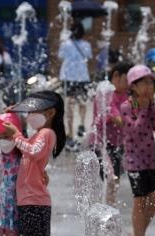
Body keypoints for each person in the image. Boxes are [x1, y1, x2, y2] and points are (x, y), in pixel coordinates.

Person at [0, 91, 66, 236]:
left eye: (34, 111)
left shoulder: (47, 132)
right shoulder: (39, 133)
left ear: (50, 113)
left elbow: (34, 152)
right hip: (32, 200)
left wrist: (16, 134)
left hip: (33, 201)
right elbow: (29, 148)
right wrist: (12, 118)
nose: (30, 115)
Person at [120, 65, 155, 236]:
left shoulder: (149, 104)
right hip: (135, 162)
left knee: (154, 199)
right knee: (139, 200)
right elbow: (135, 130)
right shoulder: (127, 106)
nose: (149, 86)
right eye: (145, 83)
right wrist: (144, 108)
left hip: (150, 160)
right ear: (133, 86)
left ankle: (140, 235)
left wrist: (150, 108)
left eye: (151, 83)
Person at [89, 61, 133, 205]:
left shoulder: (127, 94)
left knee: (116, 177)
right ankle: (104, 208)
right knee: (109, 176)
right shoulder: (106, 92)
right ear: (116, 76)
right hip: (101, 141)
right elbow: (115, 117)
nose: (129, 84)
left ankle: (110, 206)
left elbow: (136, 109)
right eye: (127, 80)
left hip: (118, 142)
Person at [58, 22, 92, 150]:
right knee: (82, 101)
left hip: (68, 77)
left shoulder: (65, 44)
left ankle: (70, 134)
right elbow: (88, 57)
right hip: (82, 77)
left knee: (69, 103)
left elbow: (61, 56)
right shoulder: (86, 45)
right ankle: (82, 123)